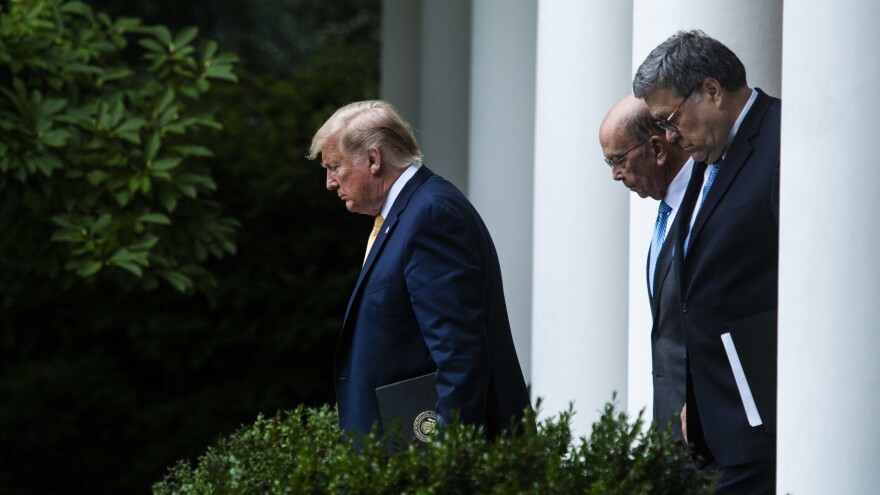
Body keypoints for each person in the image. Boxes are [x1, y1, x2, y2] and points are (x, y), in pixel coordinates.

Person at [307, 100, 530, 440]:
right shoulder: (411, 212)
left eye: (334, 166)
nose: (329, 182)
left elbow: (459, 355)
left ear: (372, 159)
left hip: (428, 456)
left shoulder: (429, 216)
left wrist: (447, 461)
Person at [633, 30, 780, 494]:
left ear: (713, 91)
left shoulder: (783, 142)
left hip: (763, 421)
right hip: (711, 425)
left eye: (671, 119)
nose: (670, 136)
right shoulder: (705, 158)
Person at [599, 95, 694, 441]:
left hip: (709, 431)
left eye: (618, 160)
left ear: (656, 149)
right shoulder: (666, 209)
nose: (615, 175)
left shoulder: (704, 203)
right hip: (674, 433)